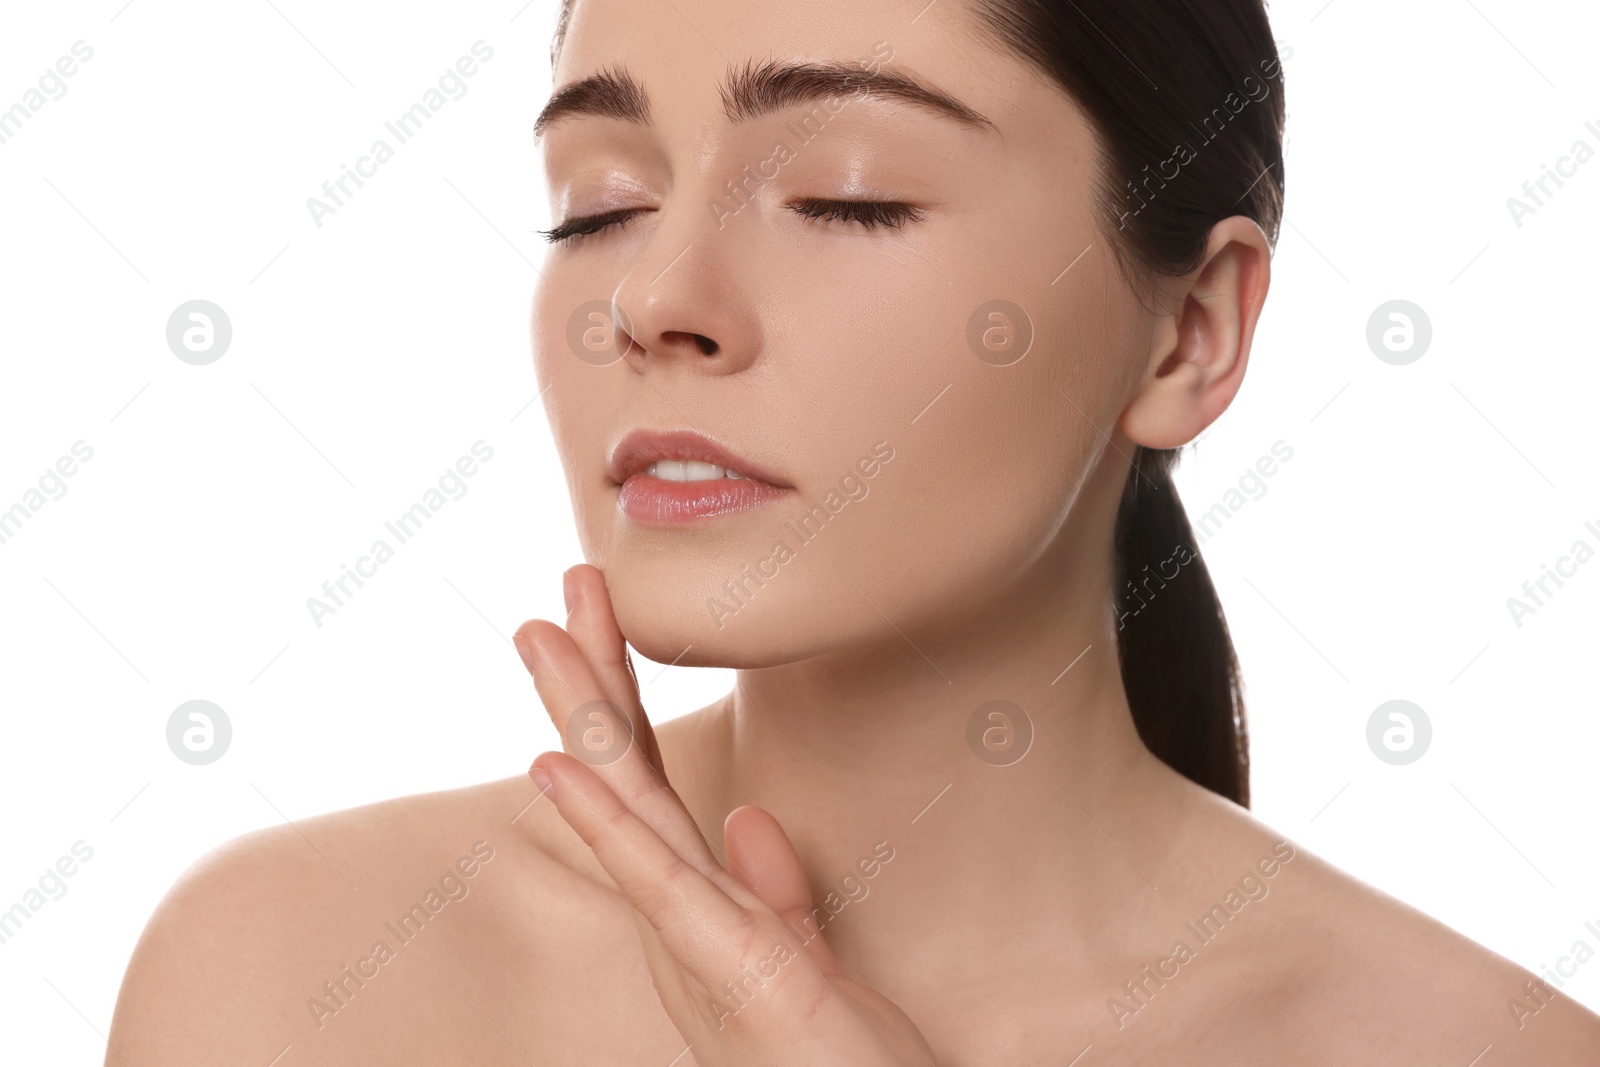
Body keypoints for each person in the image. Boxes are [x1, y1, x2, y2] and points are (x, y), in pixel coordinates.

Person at [106, 0, 1600, 1061]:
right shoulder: (294, 978)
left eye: (846, 196)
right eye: (597, 204)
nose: (658, 299)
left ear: (1188, 334)